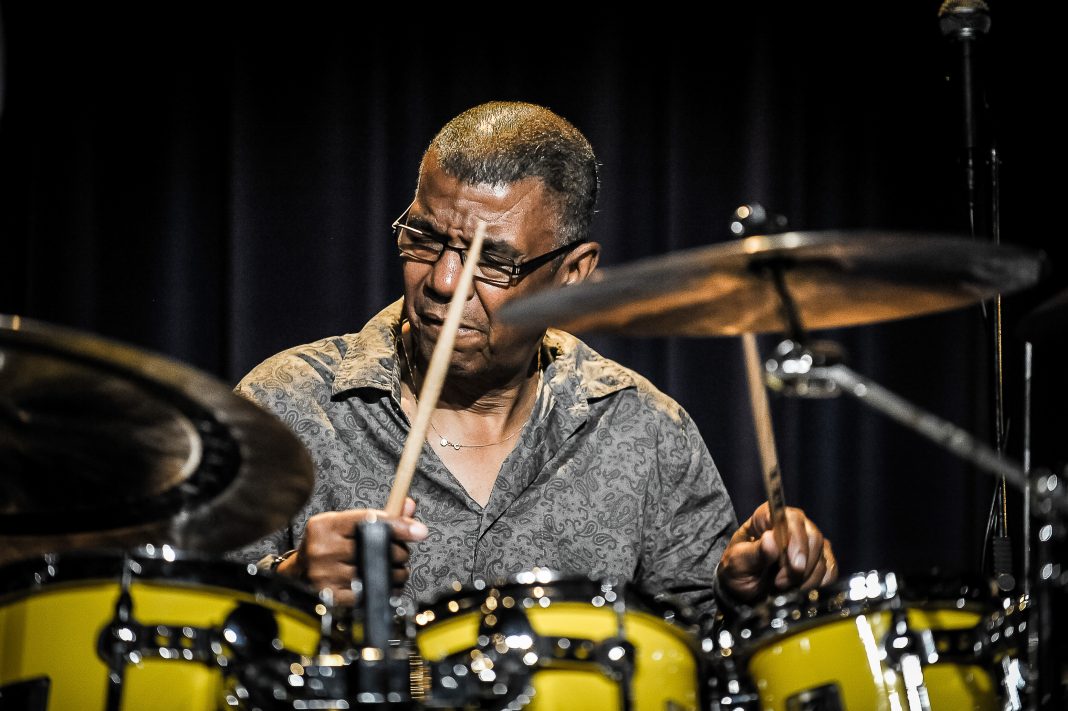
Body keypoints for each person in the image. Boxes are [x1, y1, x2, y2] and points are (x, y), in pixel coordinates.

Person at [232, 101, 836, 625]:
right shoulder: (287, 405)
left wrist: (742, 596)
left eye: (490, 263)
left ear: (572, 274)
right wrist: (287, 585)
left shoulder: (645, 431)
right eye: (423, 239)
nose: (444, 281)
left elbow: (706, 660)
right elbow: (179, 638)